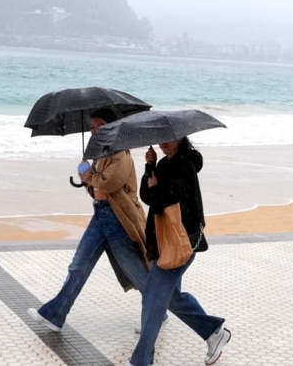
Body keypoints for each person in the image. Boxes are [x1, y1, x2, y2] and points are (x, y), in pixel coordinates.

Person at [27, 108, 151, 331]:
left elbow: (108, 183)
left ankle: (158, 312)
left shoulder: (120, 152)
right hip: (101, 214)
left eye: (99, 125)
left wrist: (86, 173)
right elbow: (97, 185)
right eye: (92, 126)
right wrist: (88, 174)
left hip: (117, 219)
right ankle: (54, 316)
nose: (94, 130)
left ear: (112, 126)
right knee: (78, 266)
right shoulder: (102, 152)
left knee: (136, 272)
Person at [129, 136, 231, 366]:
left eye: (169, 138)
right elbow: (147, 197)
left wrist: (156, 189)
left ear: (181, 138)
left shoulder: (184, 164)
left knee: (154, 299)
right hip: (167, 241)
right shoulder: (165, 163)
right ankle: (214, 332)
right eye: (161, 138)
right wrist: (150, 167)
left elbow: (170, 199)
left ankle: (141, 360)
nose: (164, 142)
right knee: (171, 298)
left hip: (181, 241)